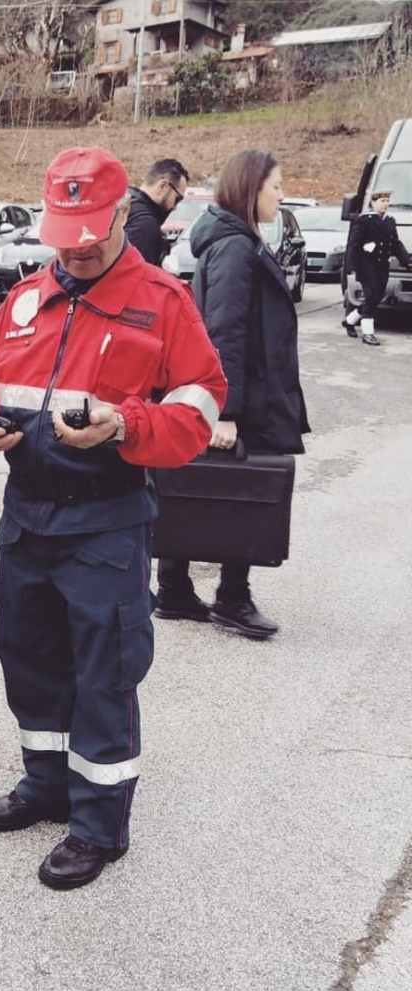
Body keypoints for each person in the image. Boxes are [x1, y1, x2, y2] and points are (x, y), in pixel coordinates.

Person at [0, 147, 226, 891]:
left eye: (91, 230)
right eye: (62, 229)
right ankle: (45, 786)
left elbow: (199, 413)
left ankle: (100, 824)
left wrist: (123, 425)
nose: (75, 246)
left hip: (105, 523)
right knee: (28, 654)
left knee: (103, 673)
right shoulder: (22, 301)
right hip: (26, 520)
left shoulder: (164, 302)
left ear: (120, 214)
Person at [156, 149, 309, 638]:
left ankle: (176, 589)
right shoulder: (235, 248)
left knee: (198, 480)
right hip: (241, 397)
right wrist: (224, 411)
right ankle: (230, 597)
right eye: (276, 186)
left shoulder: (238, 240)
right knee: (233, 489)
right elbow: (224, 332)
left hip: (248, 392)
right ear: (251, 190)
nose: (282, 195)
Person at [342, 190, 411, 346]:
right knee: (372, 295)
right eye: (382, 201)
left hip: (382, 266)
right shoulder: (364, 220)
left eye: (387, 201)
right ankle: (368, 333)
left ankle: (349, 321)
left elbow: (395, 244)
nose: (385, 204)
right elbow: (353, 245)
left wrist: (406, 261)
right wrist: (351, 266)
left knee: (376, 297)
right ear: (373, 203)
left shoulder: (389, 221)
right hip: (366, 265)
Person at [124, 158, 190, 266]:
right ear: (163, 186)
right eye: (177, 199)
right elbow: (138, 276)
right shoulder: (145, 224)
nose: (175, 207)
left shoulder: (125, 204)